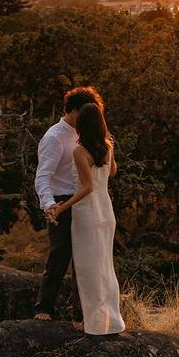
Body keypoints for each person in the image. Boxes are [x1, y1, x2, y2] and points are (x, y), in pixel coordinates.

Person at [49, 102, 125, 335]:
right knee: (104, 267)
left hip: (88, 214)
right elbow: (112, 172)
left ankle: (90, 323)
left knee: (87, 269)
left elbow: (87, 187)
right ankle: (110, 321)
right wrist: (108, 147)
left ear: (81, 125)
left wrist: (63, 207)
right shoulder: (107, 146)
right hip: (106, 212)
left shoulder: (80, 152)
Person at [33, 86, 104, 321]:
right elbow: (43, 175)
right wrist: (49, 204)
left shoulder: (87, 132)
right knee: (60, 255)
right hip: (62, 200)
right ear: (73, 111)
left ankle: (81, 315)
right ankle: (44, 307)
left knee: (85, 259)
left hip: (86, 201)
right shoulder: (54, 137)